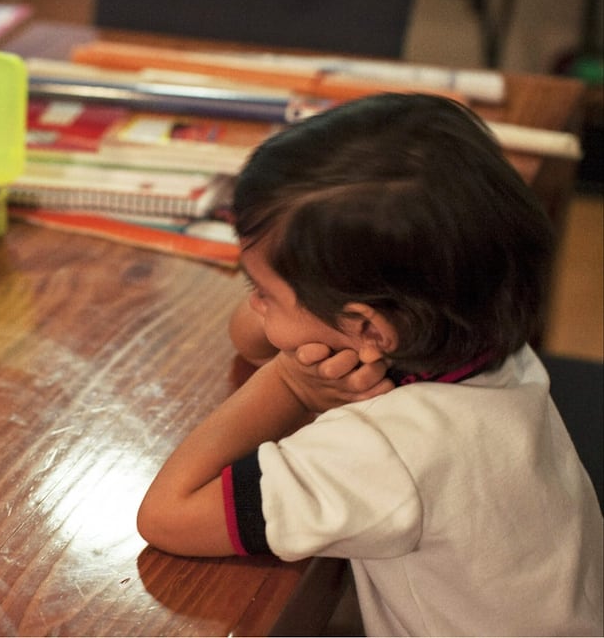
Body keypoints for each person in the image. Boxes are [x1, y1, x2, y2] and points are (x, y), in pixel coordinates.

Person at [136, 93, 603, 636]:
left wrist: (290, 385)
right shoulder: (482, 340)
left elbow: (166, 515)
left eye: (260, 290)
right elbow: (251, 340)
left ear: (366, 329)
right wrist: (277, 299)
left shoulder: (386, 453)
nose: (253, 304)